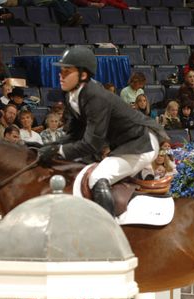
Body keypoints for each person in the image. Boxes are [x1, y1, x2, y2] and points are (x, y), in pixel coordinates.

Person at [36, 46, 169, 216]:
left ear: (83, 75)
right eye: (61, 71)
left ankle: (108, 230)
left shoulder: (95, 96)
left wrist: (59, 151)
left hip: (140, 144)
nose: (60, 75)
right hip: (125, 145)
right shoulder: (72, 95)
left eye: (66, 71)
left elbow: (93, 143)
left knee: (97, 178)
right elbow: (75, 135)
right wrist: (49, 147)